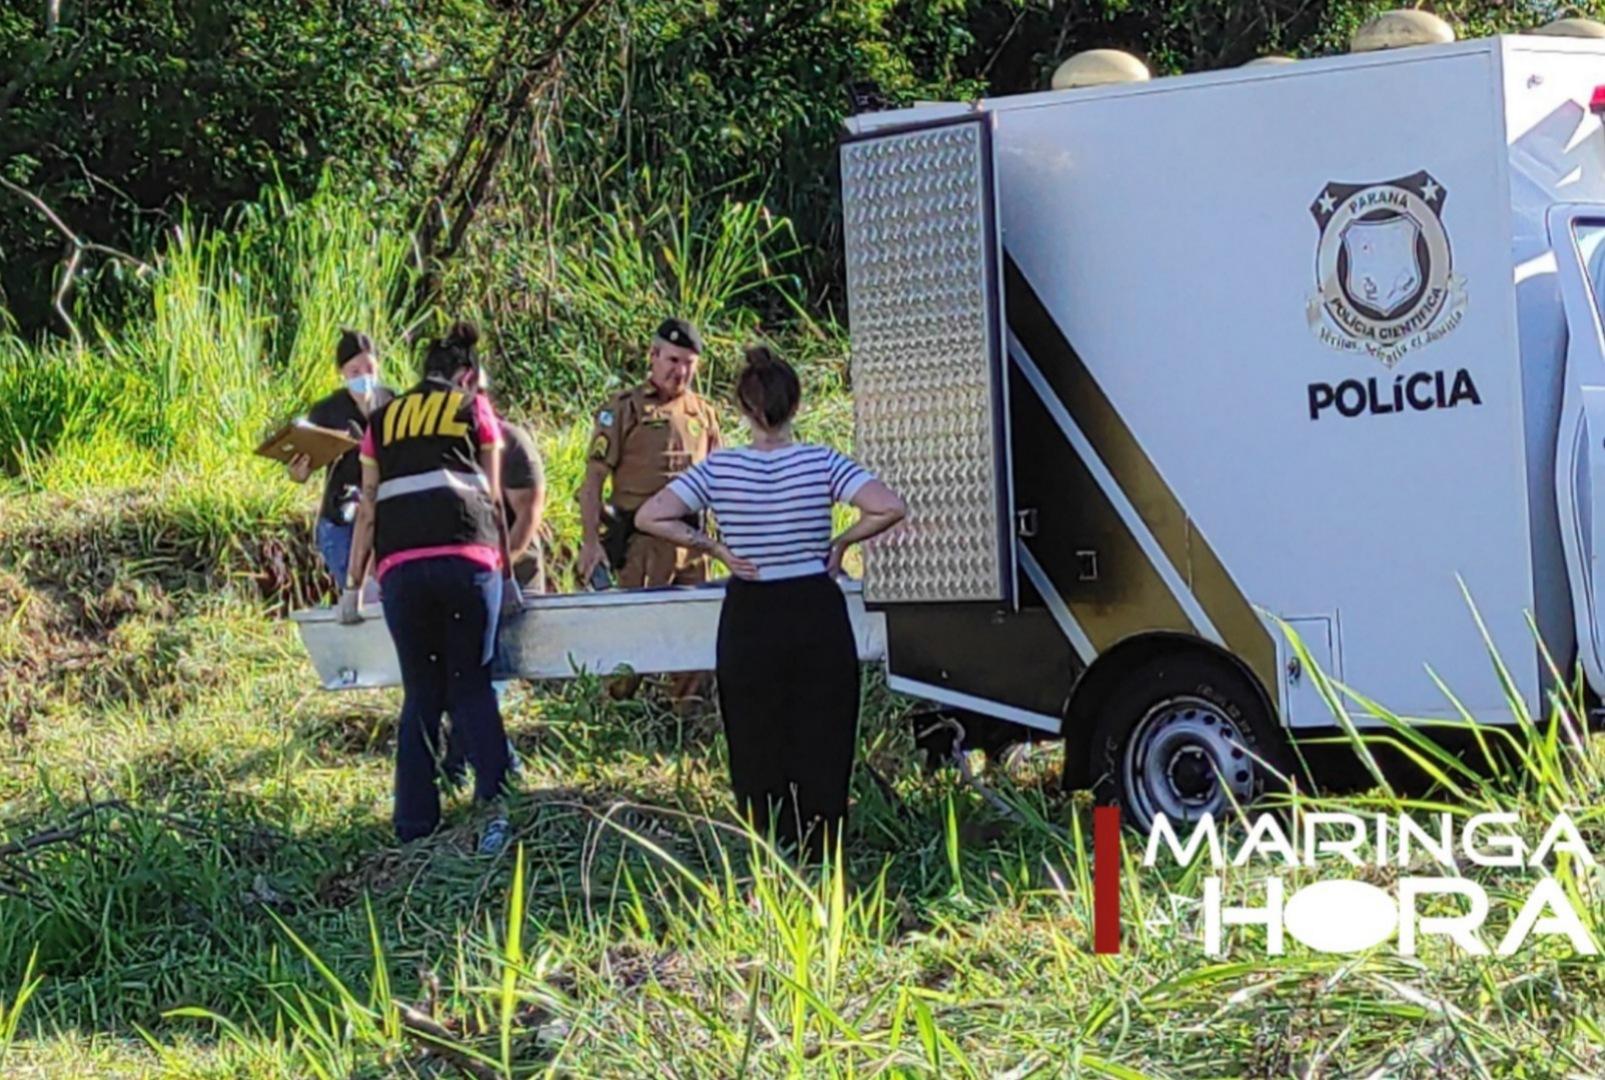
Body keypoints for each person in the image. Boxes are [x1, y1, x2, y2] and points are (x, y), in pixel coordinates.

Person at [635, 345, 906, 859]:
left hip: (751, 611)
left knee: (756, 734)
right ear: (796, 405)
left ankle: (770, 852)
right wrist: (843, 542)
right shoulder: (821, 460)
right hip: (814, 607)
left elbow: (653, 515)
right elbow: (888, 506)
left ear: (743, 408)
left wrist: (714, 548)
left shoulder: (721, 468)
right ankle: (823, 849)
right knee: (822, 731)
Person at [341, 321, 517, 855]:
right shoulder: (473, 409)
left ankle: (414, 822)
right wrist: (507, 573)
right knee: (471, 685)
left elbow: (368, 508)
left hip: (401, 569)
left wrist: (352, 584)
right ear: (466, 375)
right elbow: (492, 496)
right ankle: (499, 802)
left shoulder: (382, 419)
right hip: (468, 560)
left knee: (420, 693)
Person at [578, 316, 720, 701]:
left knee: (693, 641)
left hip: (690, 544)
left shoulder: (703, 414)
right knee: (630, 642)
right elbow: (592, 483)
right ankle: (616, 715)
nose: (681, 371)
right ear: (654, 355)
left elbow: (720, 480)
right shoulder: (624, 409)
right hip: (640, 544)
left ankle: (683, 720)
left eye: (689, 363)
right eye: (673, 360)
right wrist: (590, 543)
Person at [287, 330, 393, 588]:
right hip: (341, 519)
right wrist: (298, 473)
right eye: (355, 371)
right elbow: (303, 462)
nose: (364, 377)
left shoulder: (392, 403)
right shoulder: (327, 411)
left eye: (369, 368)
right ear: (342, 373)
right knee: (355, 592)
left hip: (385, 515)